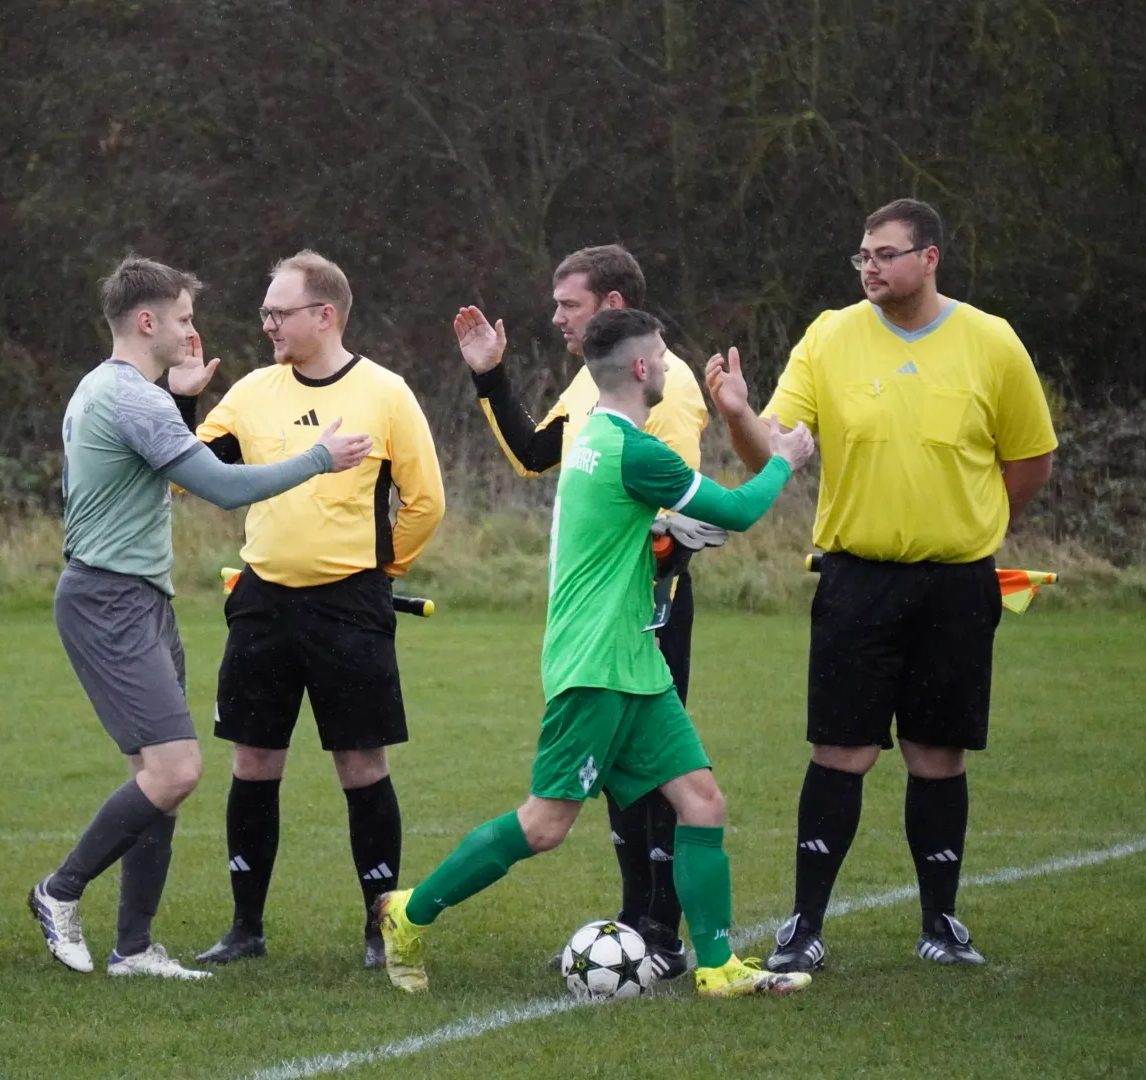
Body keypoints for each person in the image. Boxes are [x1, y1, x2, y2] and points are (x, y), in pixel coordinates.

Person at [375, 308, 818, 998]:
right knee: (545, 824)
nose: (668, 366)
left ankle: (717, 966)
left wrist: (663, 532)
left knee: (702, 802)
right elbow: (737, 511)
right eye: (663, 357)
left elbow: (625, 527)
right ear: (640, 368)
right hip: (594, 665)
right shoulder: (633, 450)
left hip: (633, 660)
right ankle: (408, 913)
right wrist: (785, 458)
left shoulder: (595, 436)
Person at [704, 198, 1057, 972]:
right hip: (856, 581)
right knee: (842, 750)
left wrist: (977, 525)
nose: (870, 266)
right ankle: (804, 926)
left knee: (938, 752)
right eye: (863, 254)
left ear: (930, 258)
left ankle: (941, 924)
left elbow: (1031, 459)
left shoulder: (991, 341)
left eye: (886, 254)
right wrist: (736, 415)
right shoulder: (830, 336)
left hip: (957, 586)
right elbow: (773, 449)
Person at [27, 255, 373, 980]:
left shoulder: (106, 387)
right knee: (176, 769)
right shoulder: (133, 400)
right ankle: (59, 891)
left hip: (134, 598)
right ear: (145, 320)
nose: (192, 333)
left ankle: (133, 948)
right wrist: (319, 458)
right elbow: (220, 486)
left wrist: (178, 398)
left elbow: (158, 467)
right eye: (183, 319)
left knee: (156, 775)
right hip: (109, 600)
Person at [173, 250, 445, 968]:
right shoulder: (251, 393)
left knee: (361, 764)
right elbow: (179, 474)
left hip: (350, 607)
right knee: (253, 760)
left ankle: (378, 930)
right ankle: (245, 929)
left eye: (279, 313)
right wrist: (181, 401)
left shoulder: (386, 393)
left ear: (325, 315)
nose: (267, 325)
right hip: (261, 602)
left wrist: (378, 569)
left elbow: (425, 502)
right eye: (264, 312)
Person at [453, 244, 708, 979]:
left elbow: (678, 517)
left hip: (646, 613)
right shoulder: (594, 379)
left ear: (613, 306)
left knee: (662, 775)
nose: (556, 317)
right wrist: (490, 375)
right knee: (626, 773)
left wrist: (646, 590)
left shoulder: (667, 388)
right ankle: (638, 919)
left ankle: (662, 932)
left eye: (570, 304)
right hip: (602, 616)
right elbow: (536, 453)